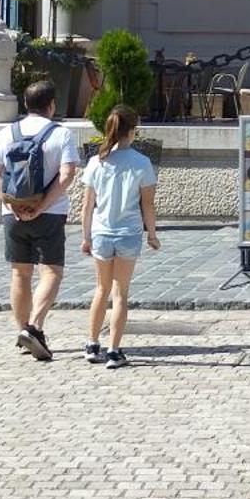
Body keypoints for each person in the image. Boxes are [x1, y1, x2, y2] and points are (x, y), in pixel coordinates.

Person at [0, 80, 82, 361]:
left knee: (20, 272)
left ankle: (22, 331)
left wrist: (10, 202)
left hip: (12, 214)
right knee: (51, 271)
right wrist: (41, 207)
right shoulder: (61, 134)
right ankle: (34, 327)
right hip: (49, 213)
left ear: (25, 105)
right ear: (52, 105)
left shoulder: (6, 133)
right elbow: (67, 175)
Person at [78, 105, 160, 369]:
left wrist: (85, 237)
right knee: (121, 293)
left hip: (101, 231)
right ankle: (114, 350)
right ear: (132, 131)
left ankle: (92, 344)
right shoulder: (142, 163)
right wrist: (153, 234)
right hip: (129, 232)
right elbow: (148, 204)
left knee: (101, 290)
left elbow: (87, 205)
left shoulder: (96, 161)